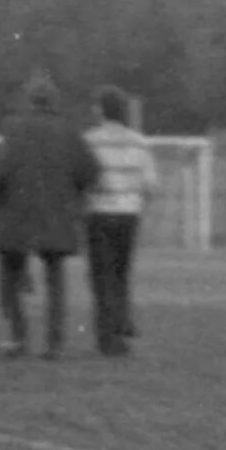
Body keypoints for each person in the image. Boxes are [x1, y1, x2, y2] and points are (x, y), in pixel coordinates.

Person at [0, 72, 98, 359]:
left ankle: (19, 338)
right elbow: (90, 171)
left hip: (17, 214)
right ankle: (54, 344)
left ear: (28, 100)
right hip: (56, 215)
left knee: (10, 276)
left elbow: (1, 169)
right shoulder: (70, 131)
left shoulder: (12, 127)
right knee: (55, 280)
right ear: (54, 100)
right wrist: (74, 197)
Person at [82, 84, 156, 355]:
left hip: (100, 213)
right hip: (129, 214)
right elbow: (149, 184)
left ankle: (107, 339)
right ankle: (121, 325)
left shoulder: (90, 140)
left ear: (102, 109)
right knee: (122, 274)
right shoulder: (139, 142)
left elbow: (85, 179)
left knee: (101, 276)